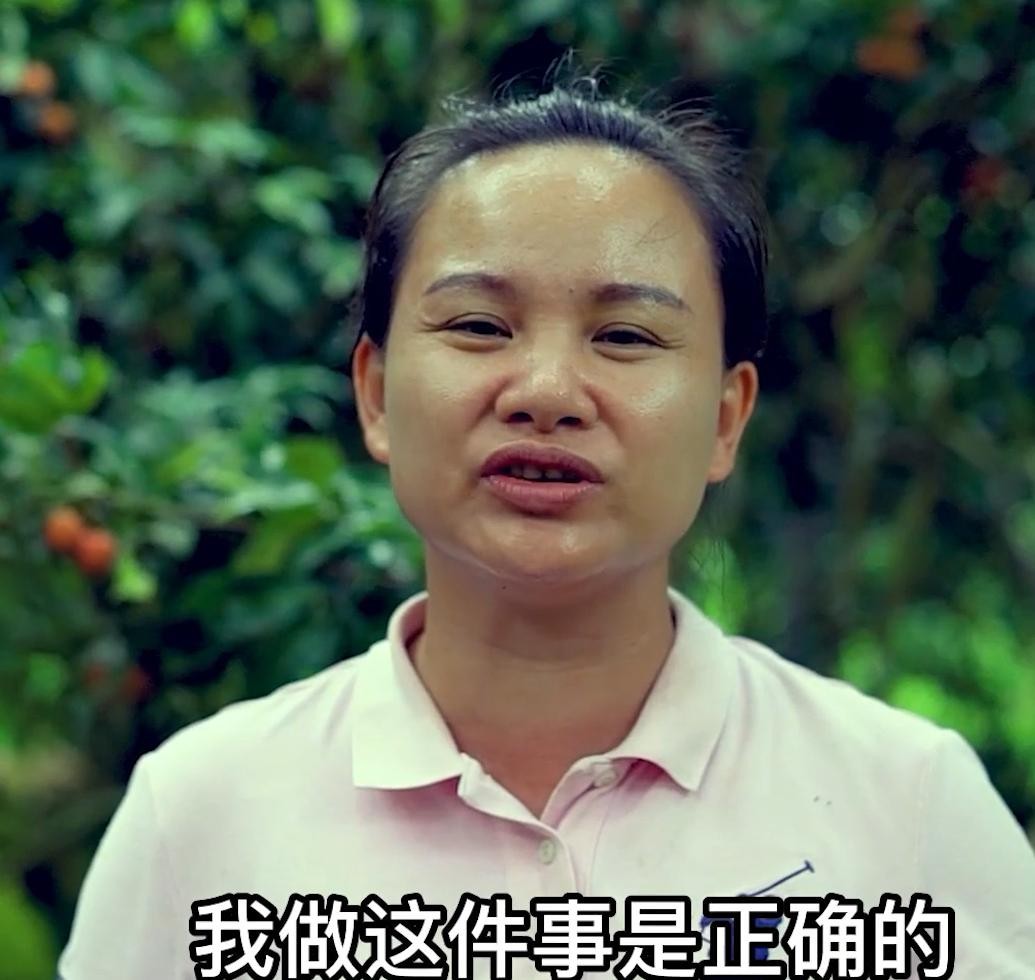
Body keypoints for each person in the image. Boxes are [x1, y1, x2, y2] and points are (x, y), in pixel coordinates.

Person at [58, 76, 1035, 980]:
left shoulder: (906, 807)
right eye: (480, 325)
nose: (546, 391)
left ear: (725, 418)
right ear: (377, 393)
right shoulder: (202, 814)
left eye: (625, 336)